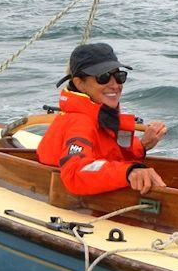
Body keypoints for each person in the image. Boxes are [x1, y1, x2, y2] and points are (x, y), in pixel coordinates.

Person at [37, 43, 167, 195]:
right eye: (103, 77)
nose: (114, 85)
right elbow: (75, 173)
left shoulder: (103, 115)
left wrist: (143, 145)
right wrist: (128, 172)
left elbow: (111, 153)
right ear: (80, 83)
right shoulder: (80, 123)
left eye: (119, 76)